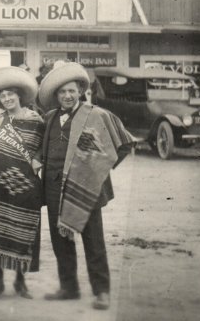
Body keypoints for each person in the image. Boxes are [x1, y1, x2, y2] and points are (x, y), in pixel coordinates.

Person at [38, 62, 135, 310]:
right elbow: (41, 149)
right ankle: (69, 287)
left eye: (71, 91)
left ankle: (101, 291)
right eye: (62, 92)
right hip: (53, 188)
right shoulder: (49, 118)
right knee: (61, 242)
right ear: (56, 95)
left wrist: (98, 169)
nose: (67, 96)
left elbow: (124, 143)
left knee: (94, 242)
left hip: (86, 189)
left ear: (81, 90)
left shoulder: (97, 115)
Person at [0, 67, 45, 300]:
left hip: (24, 185)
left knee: (22, 230)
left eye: (10, 95)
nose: (6, 99)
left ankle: (20, 281)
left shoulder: (35, 120)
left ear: (19, 96)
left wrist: (37, 159)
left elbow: (42, 148)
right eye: (2, 96)